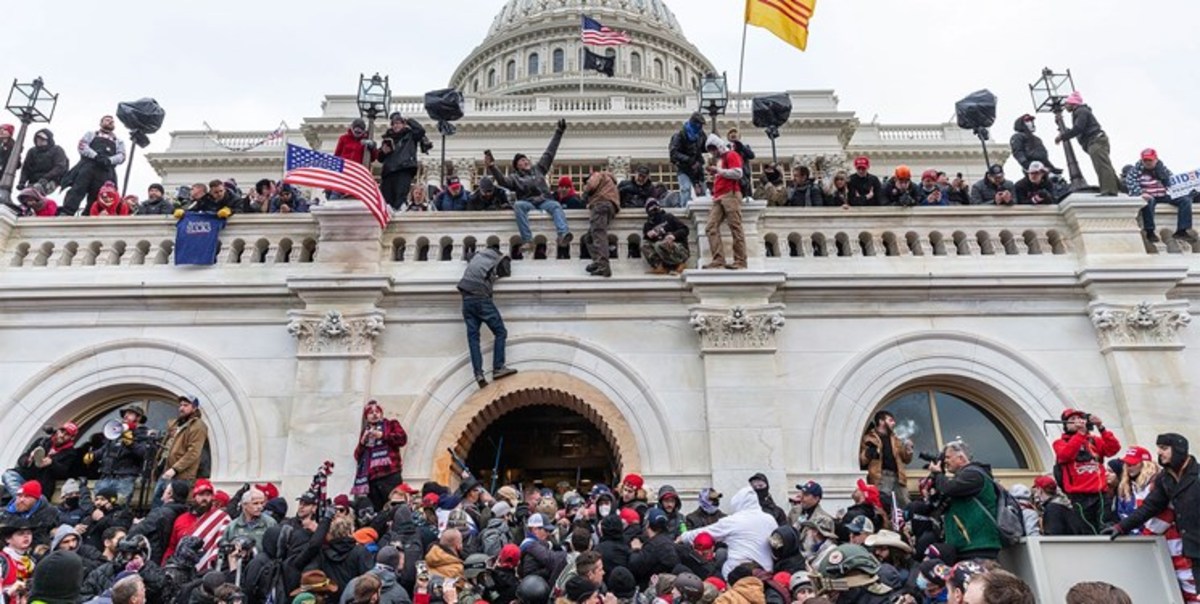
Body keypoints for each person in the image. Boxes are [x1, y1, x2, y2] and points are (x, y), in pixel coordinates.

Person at [1105, 434, 1200, 593]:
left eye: (1164, 448)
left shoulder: (1197, 475)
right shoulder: (1165, 477)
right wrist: (1121, 527)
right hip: (1193, 549)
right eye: (1158, 448)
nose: (1159, 452)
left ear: (1179, 450)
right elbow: (1150, 506)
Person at [484, 120, 574, 255]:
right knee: (519, 205)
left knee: (555, 206)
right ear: (517, 166)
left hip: (544, 201)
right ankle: (527, 240)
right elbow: (502, 181)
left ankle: (563, 233)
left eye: (526, 159)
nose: (525, 161)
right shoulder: (515, 178)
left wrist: (559, 132)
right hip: (528, 202)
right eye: (521, 161)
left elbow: (550, 152)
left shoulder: (539, 169)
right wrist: (492, 166)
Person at [928, 441, 1001, 560]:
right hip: (967, 546)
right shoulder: (963, 477)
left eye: (948, 457)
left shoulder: (974, 474)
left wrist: (937, 473)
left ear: (961, 458)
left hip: (979, 546)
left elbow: (948, 488)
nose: (945, 461)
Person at [457, 246, 518, 388]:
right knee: (500, 332)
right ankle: (498, 367)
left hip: (466, 300)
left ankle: (478, 373)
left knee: (473, 339)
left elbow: (468, 256)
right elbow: (506, 272)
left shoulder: (477, 256)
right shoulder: (498, 258)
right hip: (481, 299)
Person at [681, 487, 776, 577]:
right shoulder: (770, 519)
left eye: (716, 500)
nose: (715, 502)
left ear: (738, 503)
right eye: (712, 500)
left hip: (737, 574)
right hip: (767, 571)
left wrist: (683, 537)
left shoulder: (732, 521)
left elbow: (706, 532)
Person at [1053, 408, 1120, 534]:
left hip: (1100, 493)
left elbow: (1113, 449)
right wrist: (1080, 435)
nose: (1077, 421)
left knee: (1106, 527)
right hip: (1079, 497)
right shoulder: (1060, 443)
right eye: (1072, 419)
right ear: (1065, 425)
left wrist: (1101, 428)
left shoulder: (1094, 441)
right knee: (1088, 530)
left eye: (1080, 418)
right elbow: (1065, 455)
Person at [1126, 148, 1197, 244]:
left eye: (1150, 160)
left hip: (1164, 194)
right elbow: (1130, 182)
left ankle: (1182, 230)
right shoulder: (1135, 171)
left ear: (1155, 159)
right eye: (1145, 160)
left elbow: (1173, 183)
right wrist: (1140, 193)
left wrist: (1165, 178)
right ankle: (1150, 231)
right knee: (1149, 202)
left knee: (1185, 200)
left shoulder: (1163, 169)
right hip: (1149, 195)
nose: (1147, 162)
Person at [1055, 91, 1118, 196]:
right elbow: (1080, 130)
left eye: (1067, 103)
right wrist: (1063, 128)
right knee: (1104, 166)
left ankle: (1109, 191)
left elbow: (1078, 129)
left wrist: (1062, 137)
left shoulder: (1081, 111)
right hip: (1095, 141)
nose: (1065, 106)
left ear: (1073, 103)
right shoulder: (1081, 112)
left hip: (1095, 141)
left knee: (1102, 166)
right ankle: (1119, 188)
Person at [61, 116, 127, 216]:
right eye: (108, 120)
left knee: (99, 194)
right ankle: (67, 212)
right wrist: (96, 156)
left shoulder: (118, 141)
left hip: (106, 170)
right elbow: (82, 146)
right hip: (88, 167)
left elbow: (122, 155)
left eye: (112, 121)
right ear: (101, 123)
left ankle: (89, 215)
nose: (110, 122)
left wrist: (109, 160)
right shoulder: (91, 134)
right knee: (78, 189)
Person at [152, 394, 209, 506]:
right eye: (181, 405)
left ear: (194, 408)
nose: (181, 408)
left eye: (186, 405)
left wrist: (175, 469)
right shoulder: (176, 424)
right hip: (164, 472)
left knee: (170, 508)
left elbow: (193, 453)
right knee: (156, 506)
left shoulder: (198, 426)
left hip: (180, 476)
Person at [352, 400, 409, 512]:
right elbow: (358, 456)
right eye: (370, 412)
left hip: (390, 474)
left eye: (377, 411)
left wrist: (383, 435)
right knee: (377, 511)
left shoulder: (391, 424)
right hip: (372, 479)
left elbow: (402, 439)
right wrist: (362, 443)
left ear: (381, 414)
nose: (374, 414)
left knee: (394, 507)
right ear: (366, 417)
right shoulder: (365, 432)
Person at [702, 134, 746, 270]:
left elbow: (738, 173)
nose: (712, 153)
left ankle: (740, 261)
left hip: (730, 194)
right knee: (710, 227)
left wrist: (718, 171)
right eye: (710, 150)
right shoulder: (721, 159)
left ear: (718, 146)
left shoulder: (731, 155)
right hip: (719, 196)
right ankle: (718, 259)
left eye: (713, 149)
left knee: (735, 227)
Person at [859, 410, 914, 507]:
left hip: (898, 477)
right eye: (890, 420)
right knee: (882, 505)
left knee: (906, 505)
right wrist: (869, 452)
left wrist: (908, 450)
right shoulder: (869, 438)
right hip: (881, 477)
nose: (894, 423)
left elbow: (906, 459)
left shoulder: (895, 438)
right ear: (881, 421)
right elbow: (862, 459)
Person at [378, 112, 431, 209]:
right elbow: (380, 158)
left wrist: (408, 119)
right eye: (393, 124)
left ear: (403, 124)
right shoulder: (387, 138)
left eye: (398, 123)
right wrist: (383, 151)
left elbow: (420, 130)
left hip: (404, 169)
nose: (396, 126)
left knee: (400, 197)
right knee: (387, 200)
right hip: (389, 171)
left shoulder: (410, 135)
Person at [628, 508, 680, 588]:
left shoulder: (653, 546)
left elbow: (635, 566)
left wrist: (636, 549)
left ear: (647, 524)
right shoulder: (669, 541)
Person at [583, 170, 620, 278]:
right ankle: (598, 262)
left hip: (601, 204)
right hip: (609, 207)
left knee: (599, 234)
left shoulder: (598, 175)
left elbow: (591, 185)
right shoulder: (609, 181)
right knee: (589, 237)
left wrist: (585, 194)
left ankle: (603, 266)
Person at [1, 480, 59, 547]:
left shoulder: (50, 513)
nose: (21, 500)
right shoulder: (4, 514)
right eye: (19, 496)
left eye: (27, 496)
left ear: (36, 499)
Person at [640, 200, 690, 275]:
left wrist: (673, 235)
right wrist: (648, 236)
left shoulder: (668, 217)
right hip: (661, 249)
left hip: (679, 248)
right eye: (651, 208)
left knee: (659, 244)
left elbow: (685, 229)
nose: (654, 210)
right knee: (644, 244)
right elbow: (647, 242)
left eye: (655, 207)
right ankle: (659, 266)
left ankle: (680, 264)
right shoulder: (648, 225)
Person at [669, 113, 708, 206]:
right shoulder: (679, 135)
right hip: (684, 168)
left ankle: (703, 209)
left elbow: (705, 148)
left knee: (702, 190)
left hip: (697, 169)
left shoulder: (701, 135)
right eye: (699, 124)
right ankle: (684, 209)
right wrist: (689, 160)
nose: (700, 127)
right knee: (685, 188)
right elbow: (673, 153)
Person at [727, 128, 755, 197]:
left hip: (743, 177)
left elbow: (751, 156)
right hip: (731, 176)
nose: (733, 134)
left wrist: (741, 146)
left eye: (735, 132)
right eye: (731, 133)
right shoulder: (726, 148)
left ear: (739, 136)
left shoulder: (745, 147)